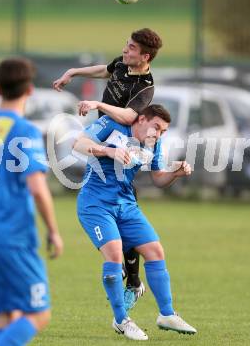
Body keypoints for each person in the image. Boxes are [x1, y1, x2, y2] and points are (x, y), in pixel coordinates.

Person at [53, 27, 163, 309]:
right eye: (126, 46)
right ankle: (132, 279)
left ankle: (133, 281)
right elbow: (105, 70)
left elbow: (129, 115)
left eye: (131, 49)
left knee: (119, 206)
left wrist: (97, 103)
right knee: (110, 208)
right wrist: (74, 72)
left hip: (123, 143)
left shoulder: (146, 87)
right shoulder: (123, 64)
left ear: (145, 56)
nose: (125, 51)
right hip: (105, 136)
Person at [73, 104, 197, 341]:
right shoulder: (113, 125)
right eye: (156, 127)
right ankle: (121, 320)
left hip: (126, 205)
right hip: (95, 203)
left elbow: (158, 177)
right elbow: (77, 143)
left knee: (155, 251)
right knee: (114, 254)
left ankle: (167, 314)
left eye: (162, 131)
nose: (158, 134)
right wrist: (108, 151)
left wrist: (175, 174)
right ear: (141, 119)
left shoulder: (153, 144)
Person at [0, 58, 64, 346]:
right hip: (12, 236)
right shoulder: (25, 131)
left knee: (5, 316)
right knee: (39, 314)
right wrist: (53, 230)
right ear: (30, 91)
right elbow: (37, 188)